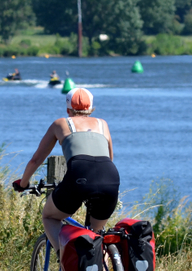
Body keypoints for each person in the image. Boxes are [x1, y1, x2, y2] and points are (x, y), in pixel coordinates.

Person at [13, 87, 119, 253]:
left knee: (49, 217)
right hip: (110, 177)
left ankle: (66, 257)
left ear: (68, 109)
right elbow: (110, 158)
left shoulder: (60, 123)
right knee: (97, 237)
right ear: (91, 108)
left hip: (79, 176)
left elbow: (36, 160)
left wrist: (23, 183)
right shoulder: (102, 124)